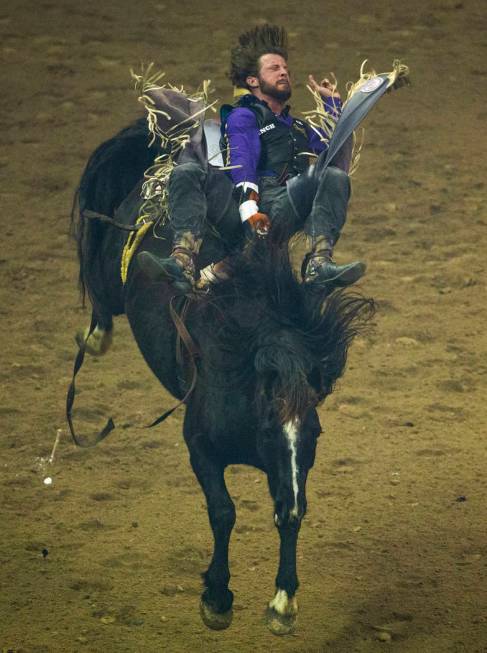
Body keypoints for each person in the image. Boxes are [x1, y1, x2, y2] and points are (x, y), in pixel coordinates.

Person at [138, 24, 365, 293]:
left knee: (334, 175)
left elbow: (334, 147)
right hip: (242, 202)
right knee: (185, 171)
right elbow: (242, 157)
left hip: (286, 201)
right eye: (274, 68)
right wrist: (250, 210)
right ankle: (182, 259)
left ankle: (318, 263)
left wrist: (333, 104)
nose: (284, 72)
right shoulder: (244, 116)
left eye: (286, 69)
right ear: (253, 81)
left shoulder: (299, 128)